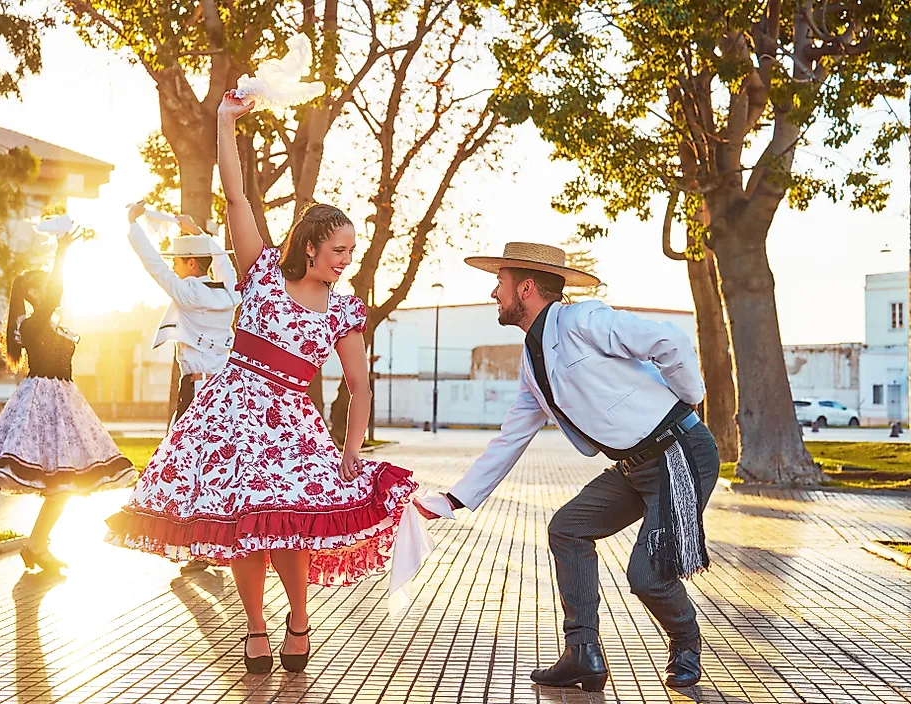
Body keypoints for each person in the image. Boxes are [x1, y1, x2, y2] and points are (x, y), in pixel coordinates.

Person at [105, 89, 418, 675]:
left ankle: (298, 619)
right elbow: (235, 192)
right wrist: (225, 121)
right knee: (237, 529)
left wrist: (352, 449)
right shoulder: (263, 268)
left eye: (351, 251)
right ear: (309, 245)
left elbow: (359, 385)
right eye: (338, 250)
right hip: (227, 413)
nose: (346, 260)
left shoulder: (344, 307)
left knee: (286, 529)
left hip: (290, 425)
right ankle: (255, 628)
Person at [420, 241, 719, 692]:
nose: (492, 293)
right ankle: (584, 653)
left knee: (647, 574)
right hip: (634, 466)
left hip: (679, 453)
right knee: (568, 528)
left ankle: (686, 641)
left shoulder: (583, 319)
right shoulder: (530, 359)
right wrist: (454, 498)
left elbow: (670, 341)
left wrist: (689, 398)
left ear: (525, 288)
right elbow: (511, 437)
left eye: (498, 283)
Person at [0, 224, 137, 573]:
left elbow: (58, 295)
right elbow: (57, 292)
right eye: (40, 288)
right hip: (43, 402)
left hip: (63, 399)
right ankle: (37, 544)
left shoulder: (49, 323)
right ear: (33, 295)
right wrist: (62, 251)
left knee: (64, 484)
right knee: (62, 483)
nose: (48, 291)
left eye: (46, 285)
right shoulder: (32, 323)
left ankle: (37, 544)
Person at [126, 202, 238, 425]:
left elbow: (155, 265)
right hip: (224, 388)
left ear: (192, 262)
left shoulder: (189, 294)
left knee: (183, 454)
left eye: (176, 262)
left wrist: (133, 224)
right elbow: (222, 261)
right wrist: (196, 231)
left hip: (197, 388)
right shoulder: (230, 293)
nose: (174, 268)